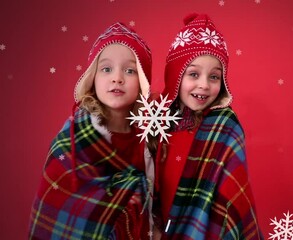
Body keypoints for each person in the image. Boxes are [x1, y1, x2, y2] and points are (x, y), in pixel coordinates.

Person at [28, 22, 156, 239]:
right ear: (92, 79)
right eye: (106, 69)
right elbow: (60, 201)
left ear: (142, 82)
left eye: (130, 70)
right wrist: (131, 191)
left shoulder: (151, 138)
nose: (117, 78)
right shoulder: (72, 142)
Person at [149, 13, 263, 239]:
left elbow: (233, 196)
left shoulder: (224, 127)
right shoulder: (155, 119)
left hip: (207, 231)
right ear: (175, 76)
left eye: (214, 77)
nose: (204, 85)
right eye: (193, 74)